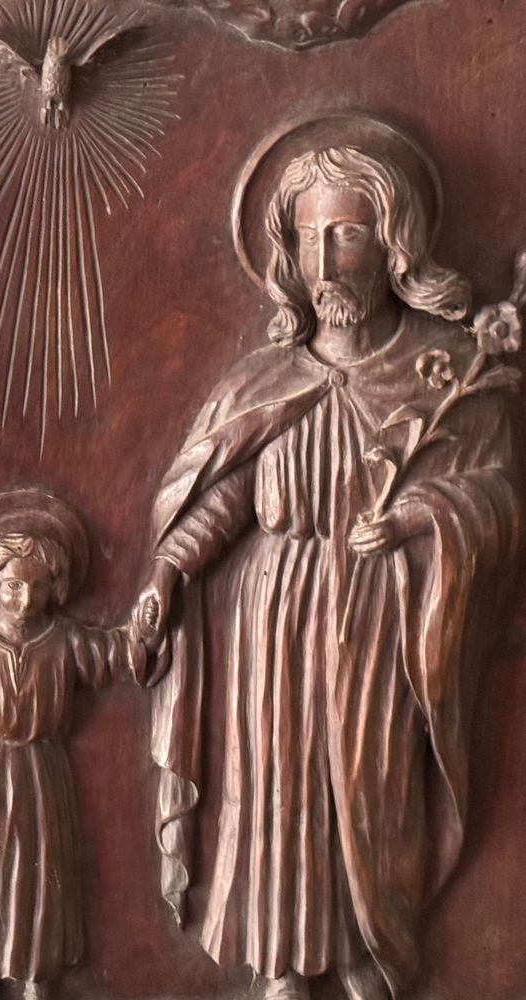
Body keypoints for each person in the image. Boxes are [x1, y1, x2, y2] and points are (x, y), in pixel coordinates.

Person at [135, 132, 521, 999]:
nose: (324, 264)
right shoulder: (262, 380)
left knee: (367, 788)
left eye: (345, 235)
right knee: (277, 792)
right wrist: (169, 573)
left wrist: (420, 516)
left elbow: (498, 501)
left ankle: (365, 956)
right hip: (273, 620)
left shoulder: (448, 376)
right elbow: (228, 499)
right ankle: (282, 965)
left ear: (394, 243)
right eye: (308, 239)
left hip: (380, 619)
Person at [0, 489, 157, 1000]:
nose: (25, 600)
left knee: (40, 880)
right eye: (14, 586)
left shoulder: (63, 640)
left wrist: (143, 630)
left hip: (41, 776)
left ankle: (37, 979)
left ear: (54, 588)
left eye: (38, 587)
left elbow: (115, 656)